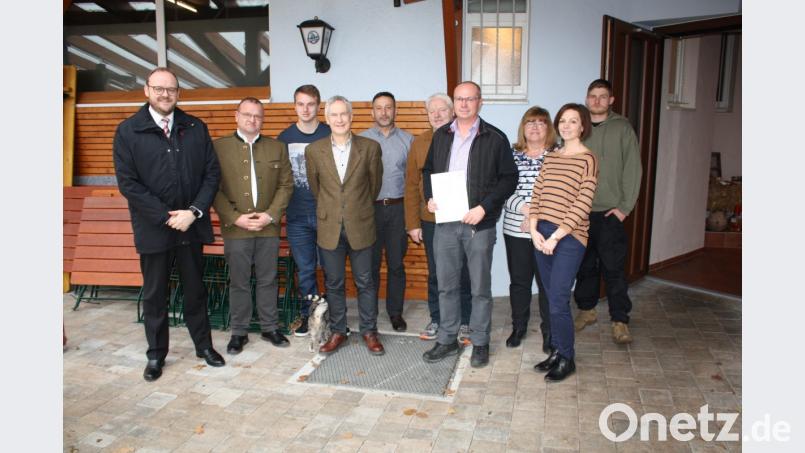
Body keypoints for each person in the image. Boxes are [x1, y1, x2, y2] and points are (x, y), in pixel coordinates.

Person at [113, 67, 225, 382]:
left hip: (191, 225)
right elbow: (129, 184)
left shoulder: (195, 127)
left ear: (178, 93)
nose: (165, 95)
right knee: (155, 295)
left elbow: (211, 174)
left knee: (195, 292)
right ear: (146, 90)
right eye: (159, 88)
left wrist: (193, 211)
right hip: (154, 227)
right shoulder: (128, 131)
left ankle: (204, 346)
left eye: (171, 89)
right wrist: (166, 216)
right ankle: (155, 356)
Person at [422, 81, 518, 368]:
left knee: (479, 288)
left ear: (480, 102)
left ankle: (480, 342)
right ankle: (448, 338)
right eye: (459, 99)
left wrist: (484, 207)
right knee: (446, 285)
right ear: (455, 102)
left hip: (479, 224)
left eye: (469, 99)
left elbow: (508, 178)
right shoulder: (441, 136)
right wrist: (430, 197)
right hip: (446, 224)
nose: (463, 104)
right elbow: (428, 170)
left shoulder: (495, 138)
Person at [213, 97, 294, 354]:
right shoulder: (218, 147)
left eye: (258, 116)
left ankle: (270, 327)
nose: (252, 120)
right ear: (236, 116)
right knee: (239, 281)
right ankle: (239, 331)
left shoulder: (276, 147)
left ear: (263, 119)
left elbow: (286, 185)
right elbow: (211, 187)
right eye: (247, 115)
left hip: (268, 227)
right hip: (236, 227)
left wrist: (271, 215)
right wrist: (234, 216)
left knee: (268, 278)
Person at [305, 95, 385, 355]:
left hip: (361, 225)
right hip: (329, 228)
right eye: (334, 115)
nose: (339, 119)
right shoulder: (314, 150)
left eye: (344, 114)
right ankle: (339, 331)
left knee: (366, 282)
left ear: (351, 117)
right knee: (334, 283)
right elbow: (317, 188)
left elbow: (373, 187)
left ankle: (369, 331)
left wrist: (353, 209)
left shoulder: (370, 148)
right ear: (326, 118)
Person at [529, 103, 598, 382]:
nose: (567, 125)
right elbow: (538, 193)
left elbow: (583, 203)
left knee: (558, 298)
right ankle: (556, 351)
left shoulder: (588, 159)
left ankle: (567, 357)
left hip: (569, 237)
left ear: (583, 126)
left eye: (574, 121)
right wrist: (534, 230)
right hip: (542, 232)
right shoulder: (552, 156)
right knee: (550, 295)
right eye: (563, 121)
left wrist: (557, 236)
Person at [573, 79, 642, 344]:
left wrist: (625, 208)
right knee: (585, 266)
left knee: (614, 269)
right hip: (580, 212)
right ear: (587, 98)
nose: (597, 101)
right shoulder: (578, 127)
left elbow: (633, 169)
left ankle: (620, 320)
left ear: (611, 100)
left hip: (611, 213)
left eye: (603, 96)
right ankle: (587, 310)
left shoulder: (622, 128)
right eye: (593, 96)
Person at [404, 93, 473, 341]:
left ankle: (465, 320)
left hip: (463, 218)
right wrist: (412, 224)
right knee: (436, 272)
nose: (436, 114)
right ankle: (437, 318)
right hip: (431, 220)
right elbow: (412, 184)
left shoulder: (467, 137)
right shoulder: (420, 142)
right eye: (431, 111)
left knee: (463, 270)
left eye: (442, 109)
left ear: (452, 111)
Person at [277, 85, 332, 337]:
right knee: (306, 269)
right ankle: (309, 316)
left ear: (318, 106)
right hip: (297, 215)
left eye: (310, 104)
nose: (306, 109)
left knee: (332, 268)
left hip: (327, 214)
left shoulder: (331, 133)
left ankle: (334, 317)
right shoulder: (284, 138)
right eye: (301, 104)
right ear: (294, 106)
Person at [502, 107, 556, 350]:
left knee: (547, 284)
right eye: (530, 122)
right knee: (520, 281)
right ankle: (519, 326)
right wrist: (528, 212)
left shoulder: (558, 156)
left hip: (548, 232)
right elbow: (503, 190)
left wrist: (537, 217)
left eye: (541, 122)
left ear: (549, 128)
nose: (535, 127)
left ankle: (550, 332)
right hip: (516, 230)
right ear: (523, 127)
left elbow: (560, 194)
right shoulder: (510, 156)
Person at [359, 92, 414, 332]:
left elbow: (413, 180)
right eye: (379, 108)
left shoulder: (408, 140)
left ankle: (395, 313)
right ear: (372, 112)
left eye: (388, 107)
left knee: (395, 265)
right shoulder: (359, 140)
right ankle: (368, 315)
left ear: (395, 111)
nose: (384, 112)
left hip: (398, 209)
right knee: (369, 266)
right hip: (369, 211)